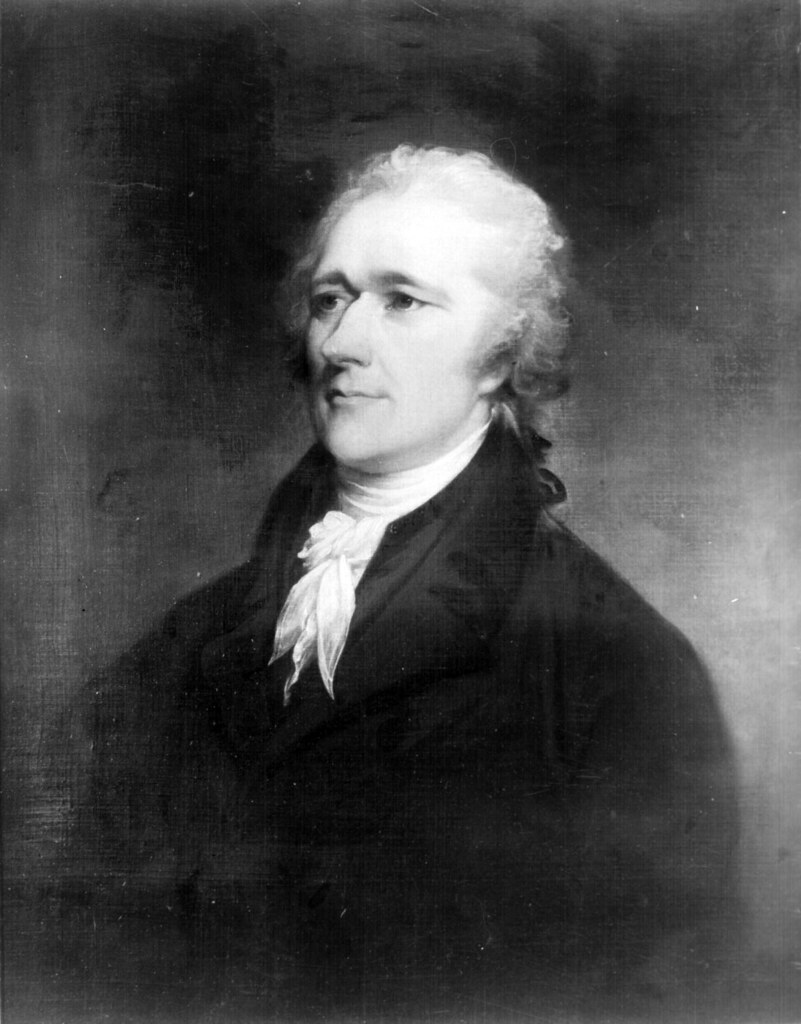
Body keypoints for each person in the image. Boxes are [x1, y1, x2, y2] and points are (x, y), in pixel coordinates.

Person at [57, 145, 737, 1018]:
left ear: (500, 355)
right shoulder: (193, 637)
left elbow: (659, 989)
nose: (340, 344)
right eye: (329, 300)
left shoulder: (613, 663)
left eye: (402, 301)